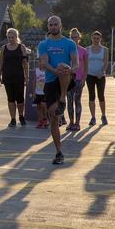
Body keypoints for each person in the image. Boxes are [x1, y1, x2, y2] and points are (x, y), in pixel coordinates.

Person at [38, 15, 78, 164]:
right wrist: (56, 71)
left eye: (56, 24)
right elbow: (44, 63)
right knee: (53, 116)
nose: (53, 27)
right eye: (51, 25)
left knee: (63, 65)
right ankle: (59, 152)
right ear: (48, 27)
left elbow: (76, 63)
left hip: (66, 78)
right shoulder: (43, 44)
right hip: (50, 81)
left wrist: (68, 70)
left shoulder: (69, 43)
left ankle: (62, 98)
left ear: (61, 25)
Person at [0, 28, 29, 128]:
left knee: (20, 99)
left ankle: (21, 116)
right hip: (7, 76)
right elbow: (1, 63)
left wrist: (26, 76)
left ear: (16, 37)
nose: (11, 39)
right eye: (9, 37)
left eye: (13, 37)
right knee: (10, 99)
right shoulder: (4, 48)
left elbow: (25, 63)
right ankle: (13, 119)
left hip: (19, 76)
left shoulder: (21, 47)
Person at [66, 28, 87, 131]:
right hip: (68, 79)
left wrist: (84, 79)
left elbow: (86, 67)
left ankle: (77, 123)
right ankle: (71, 122)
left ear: (79, 38)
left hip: (79, 79)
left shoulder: (83, 51)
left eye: (76, 37)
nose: (74, 39)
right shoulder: (67, 50)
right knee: (69, 101)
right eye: (72, 37)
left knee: (77, 100)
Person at [86, 31, 109, 126]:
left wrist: (102, 72)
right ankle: (93, 117)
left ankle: (103, 115)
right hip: (90, 75)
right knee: (91, 96)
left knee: (101, 96)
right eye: (94, 38)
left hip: (100, 76)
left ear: (100, 39)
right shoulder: (87, 49)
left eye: (97, 38)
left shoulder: (105, 50)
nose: (96, 40)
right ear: (91, 38)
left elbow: (106, 62)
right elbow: (85, 63)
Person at [34, 65, 48, 129]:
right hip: (37, 92)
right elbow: (34, 81)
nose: (40, 63)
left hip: (44, 92)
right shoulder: (36, 70)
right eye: (39, 61)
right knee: (38, 107)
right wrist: (33, 92)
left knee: (44, 106)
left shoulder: (47, 71)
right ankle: (40, 121)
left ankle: (45, 119)